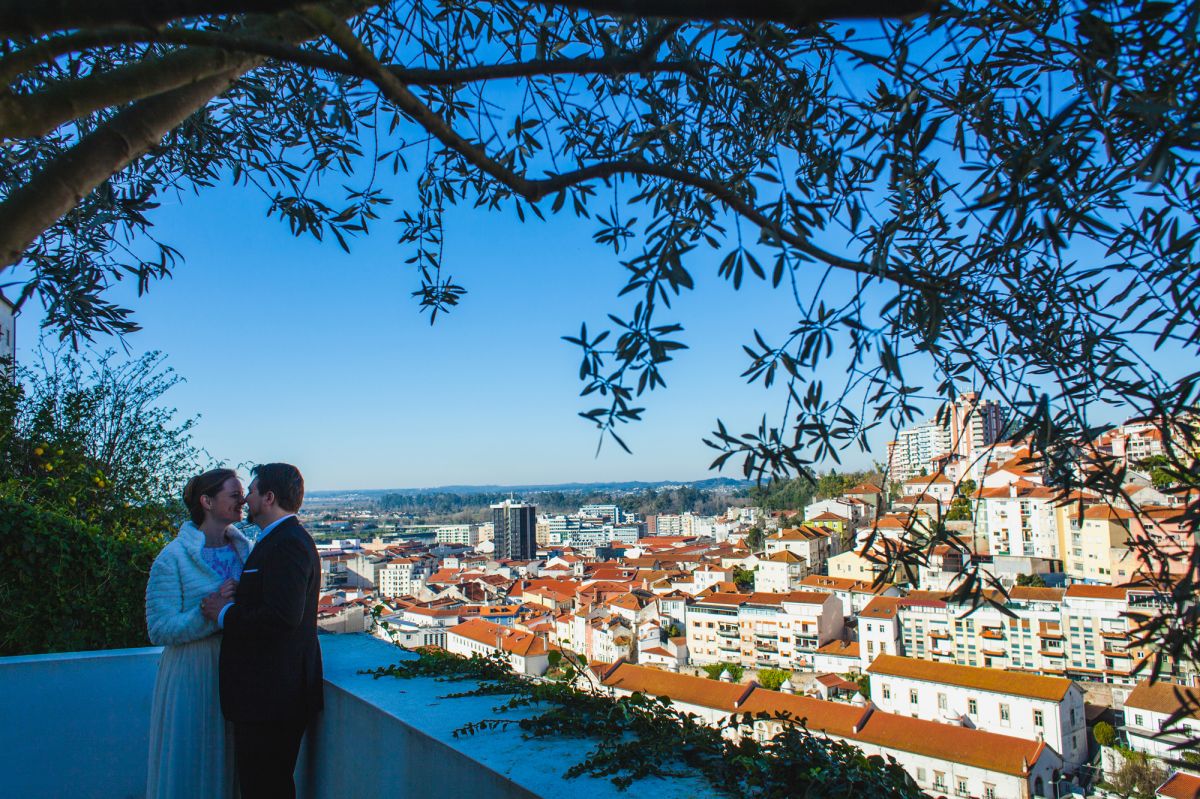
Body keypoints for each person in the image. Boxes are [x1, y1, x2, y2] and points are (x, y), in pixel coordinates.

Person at [201, 462, 322, 799]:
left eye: (250, 492)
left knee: (266, 787)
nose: (245, 500)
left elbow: (283, 617)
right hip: (270, 695)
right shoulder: (279, 541)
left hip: (273, 696)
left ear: (268, 497)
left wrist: (223, 612)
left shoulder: (287, 544)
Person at [145, 467, 251, 799]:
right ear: (206, 501)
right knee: (194, 756)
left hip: (236, 668)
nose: (243, 501)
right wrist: (209, 613)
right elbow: (159, 628)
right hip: (192, 672)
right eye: (234, 495)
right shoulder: (172, 558)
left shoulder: (246, 550)